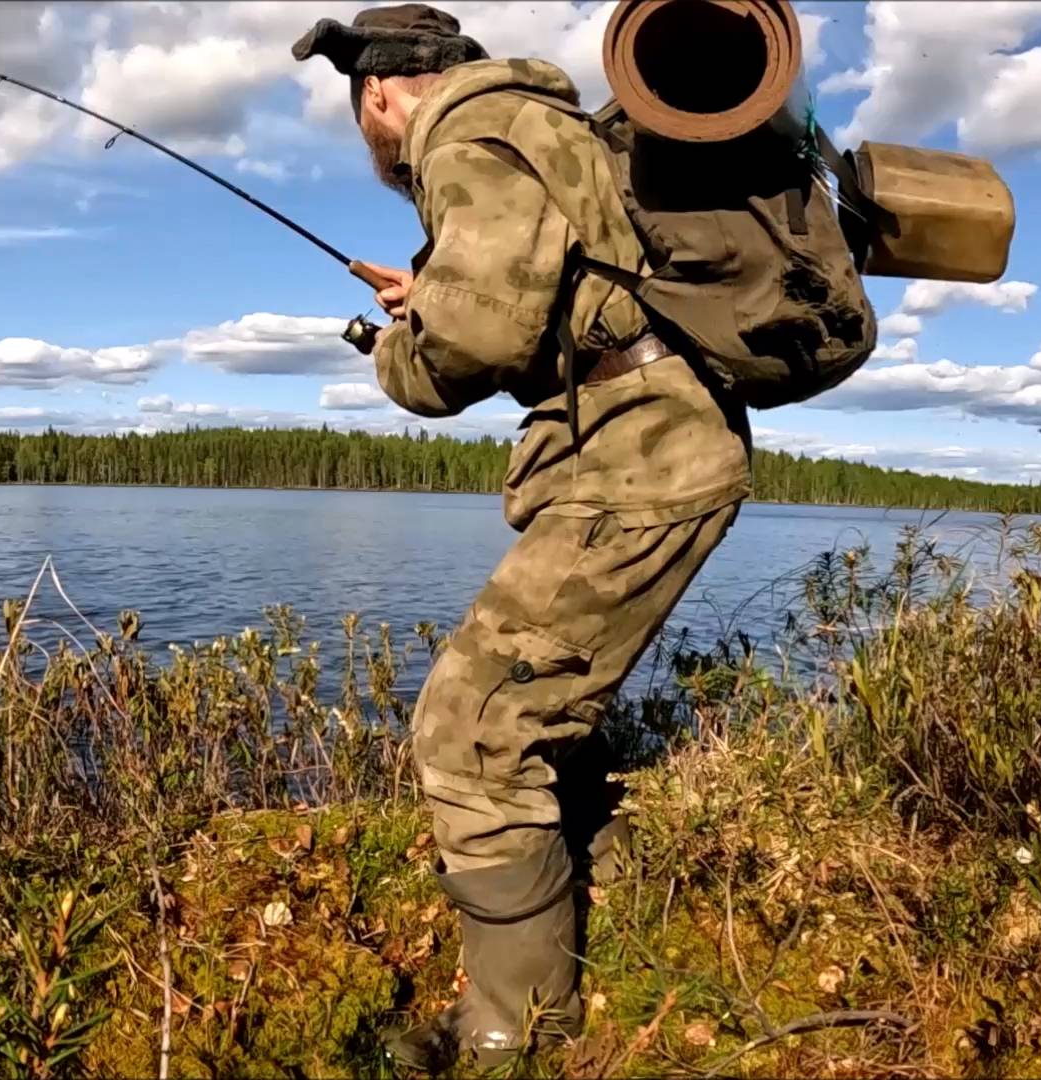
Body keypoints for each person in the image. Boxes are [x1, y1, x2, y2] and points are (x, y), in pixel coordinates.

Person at [295, 4, 755, 1072]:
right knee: (528, 716)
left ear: (377, 92)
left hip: (642, 462)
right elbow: (553, 304)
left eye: (361, 110)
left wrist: (397, 353)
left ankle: (513, 1037)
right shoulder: (538, 125)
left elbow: (478, 339)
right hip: (649, 446)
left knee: (471, 731)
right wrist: (434, 288)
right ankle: (582, 925)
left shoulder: (462, 134)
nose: (369, 134)